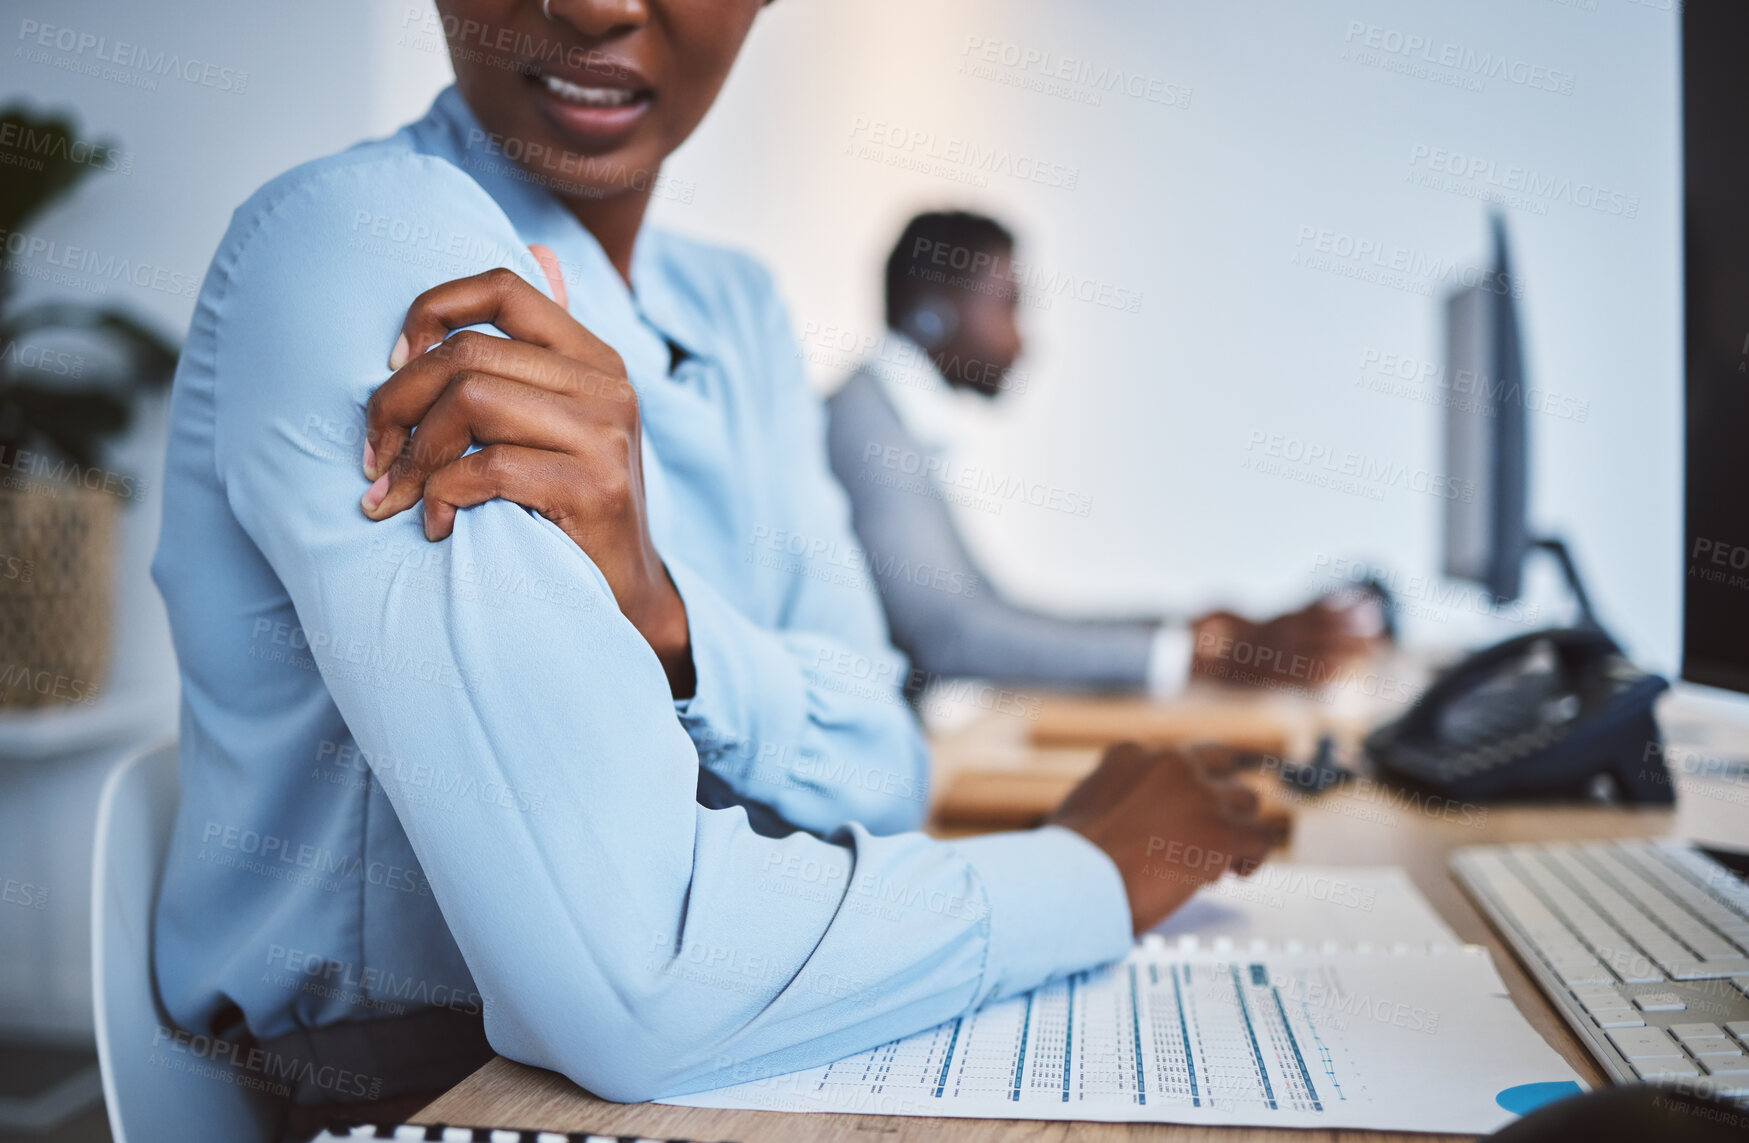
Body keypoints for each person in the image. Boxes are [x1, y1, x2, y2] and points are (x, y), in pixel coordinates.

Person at [149, 3, 1284, 1134]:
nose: (597, 5)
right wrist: (1085, 876)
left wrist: (667, 616)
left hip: (729, 1057)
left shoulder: (734, 310)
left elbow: (887, 771)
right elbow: (639, 975)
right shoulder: (370, 240)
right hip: (435, 1091)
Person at [827, 211, 1380, 695]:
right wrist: (1201, 657)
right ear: (933, 316)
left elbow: (994, 612)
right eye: (1009, 305)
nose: (1023, 342)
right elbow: (952, 636)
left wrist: (1184, 633)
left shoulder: (890, 417)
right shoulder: (866, 423)